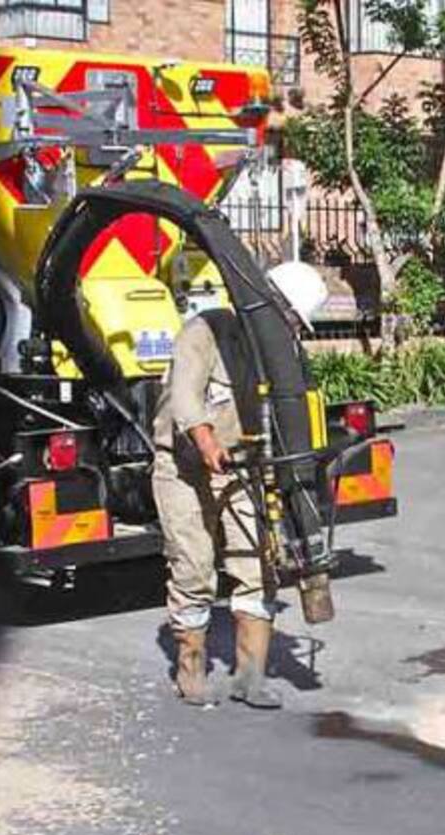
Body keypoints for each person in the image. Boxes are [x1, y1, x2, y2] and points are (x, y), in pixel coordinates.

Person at [153, 261, 328, 708]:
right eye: (288, 318)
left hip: (243, 468)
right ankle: (191, 670)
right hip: (186, 468)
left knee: (257, 568)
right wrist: (206, 439)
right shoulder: (205, 331)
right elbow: (186, 397)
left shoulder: (277, 352)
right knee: (193, 566)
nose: (290, 328)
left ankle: (249, 676)